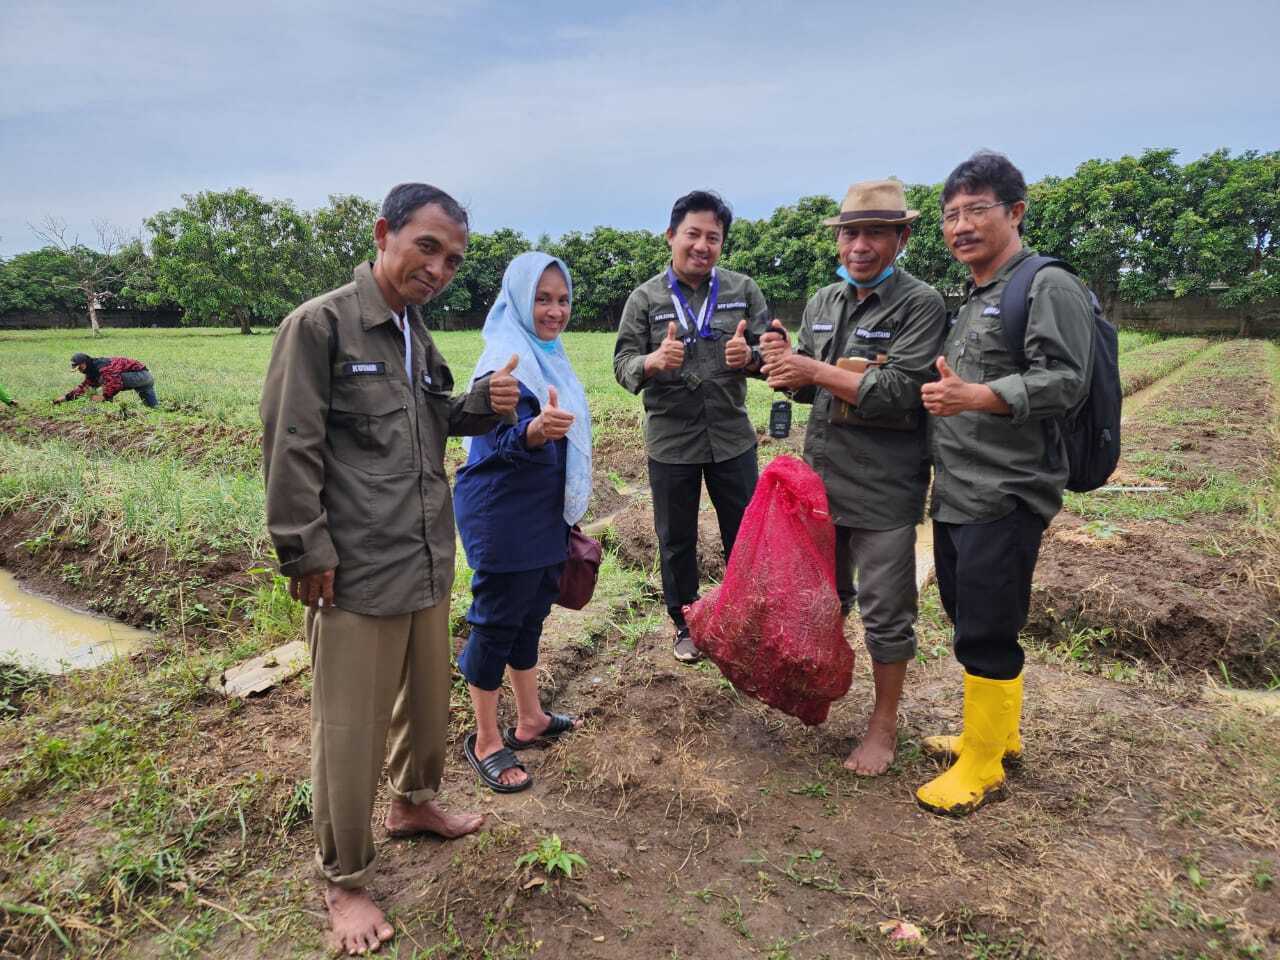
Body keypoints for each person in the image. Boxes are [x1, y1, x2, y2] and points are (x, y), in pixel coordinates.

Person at [260, 182, 521, 955]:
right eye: (427, 248)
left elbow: (431, 420)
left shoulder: (414, 334)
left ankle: (414, 803)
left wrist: (485, 403)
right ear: (384, 234)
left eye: (453, 259)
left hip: (425, 557)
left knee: (425, 700)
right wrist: (305, 551)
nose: (439, 268)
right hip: (354, 571)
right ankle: (343, 878)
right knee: (349, 729)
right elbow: (289, 445)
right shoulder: (321, 327)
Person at [917, 151, 1093, 816]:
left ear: (1015, 213)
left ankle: (983, 766)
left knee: (988, 627)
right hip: (961, 490)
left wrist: (980, 395)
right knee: (968, 615)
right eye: (951, 214)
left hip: (1007, 490)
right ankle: (994, 735)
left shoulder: (1046, 287)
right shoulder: (979, 295)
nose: (961, 225)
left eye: (976, 210)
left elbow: (1067, 381)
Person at [760, 179, 947, 776]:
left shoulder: (921, 305)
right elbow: (809, 384)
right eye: (850, 233)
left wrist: (811, 367)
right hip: (822, 481)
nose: (859, 245)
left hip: (884, 487)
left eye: (874, 233)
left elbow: (902, 393)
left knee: (886, 612)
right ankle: (819, 692)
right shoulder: (823, 302)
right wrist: (781, 369)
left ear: (901, 237)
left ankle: (883, 725)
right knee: (823, 600)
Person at [453, 252, 591, 792]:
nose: (554, 310)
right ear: (517, 299)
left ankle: (529, 718)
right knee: (495, 623)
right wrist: (533, 432)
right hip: (503, 515)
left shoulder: (550, 356)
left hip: (541, 512)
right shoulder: (504, 363)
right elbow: (488, 447)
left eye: (562, 299)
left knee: (530, 615)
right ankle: (487, 739)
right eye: (542, 298)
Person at [613, 190, 770, 663]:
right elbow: (621, 364)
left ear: (722, 244)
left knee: (743, 534)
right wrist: (653, 362)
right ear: (671, 236)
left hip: (731, 437)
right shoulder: (644, 299)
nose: (702, 245)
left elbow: (776, 357)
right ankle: (685, 623)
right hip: (671, 440)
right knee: (676, 537)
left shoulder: (743, 291)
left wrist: (754, 358)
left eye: (713, 237)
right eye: (693, 234)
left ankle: (744, 619)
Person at [54, 353, 157, 407]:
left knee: (106, 380)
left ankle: (109, 405)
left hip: (141, 376)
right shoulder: (92, 370)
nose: (80, 371)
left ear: (85, 363)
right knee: (153, 408)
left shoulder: (103, 367)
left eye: (80, 368)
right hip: (144, 380)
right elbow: (84, 388)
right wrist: (65, 398)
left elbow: (115, 383)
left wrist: (103, 397)